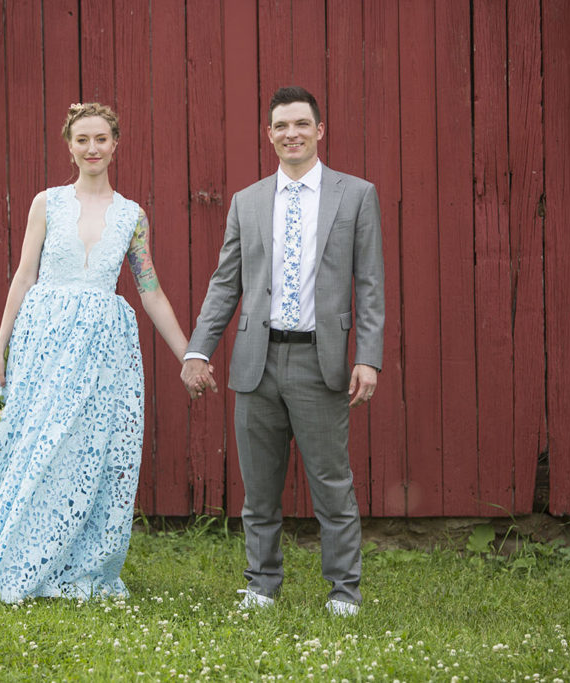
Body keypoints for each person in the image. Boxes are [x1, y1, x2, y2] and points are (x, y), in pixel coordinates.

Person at [0, 102, 190, 602]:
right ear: (69, 145)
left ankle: (69, 561)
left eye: (101, 138)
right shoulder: (48, 203)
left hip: (101, 352)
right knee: (31, 446)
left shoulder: (132, 216)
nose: (92, 148)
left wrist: (188, 354)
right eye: (82, 139)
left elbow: (150, 291)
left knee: (83, 453)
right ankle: (11, 559)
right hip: (42, 341)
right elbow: (24, 276)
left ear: (115, 144)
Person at [181, 86, 384, 616]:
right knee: (259, 489)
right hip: (257, 362)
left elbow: (370, 285)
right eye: (280, 126)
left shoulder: (355, 195)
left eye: (301, 124)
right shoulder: (247, 202)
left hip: (321, 361)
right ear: (268, 135)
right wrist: (198, 350)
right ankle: (261, 585)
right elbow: (227, 284)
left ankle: (344, 592)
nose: (291, 133)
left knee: (332, 485)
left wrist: (368, 356)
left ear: (320, 130)